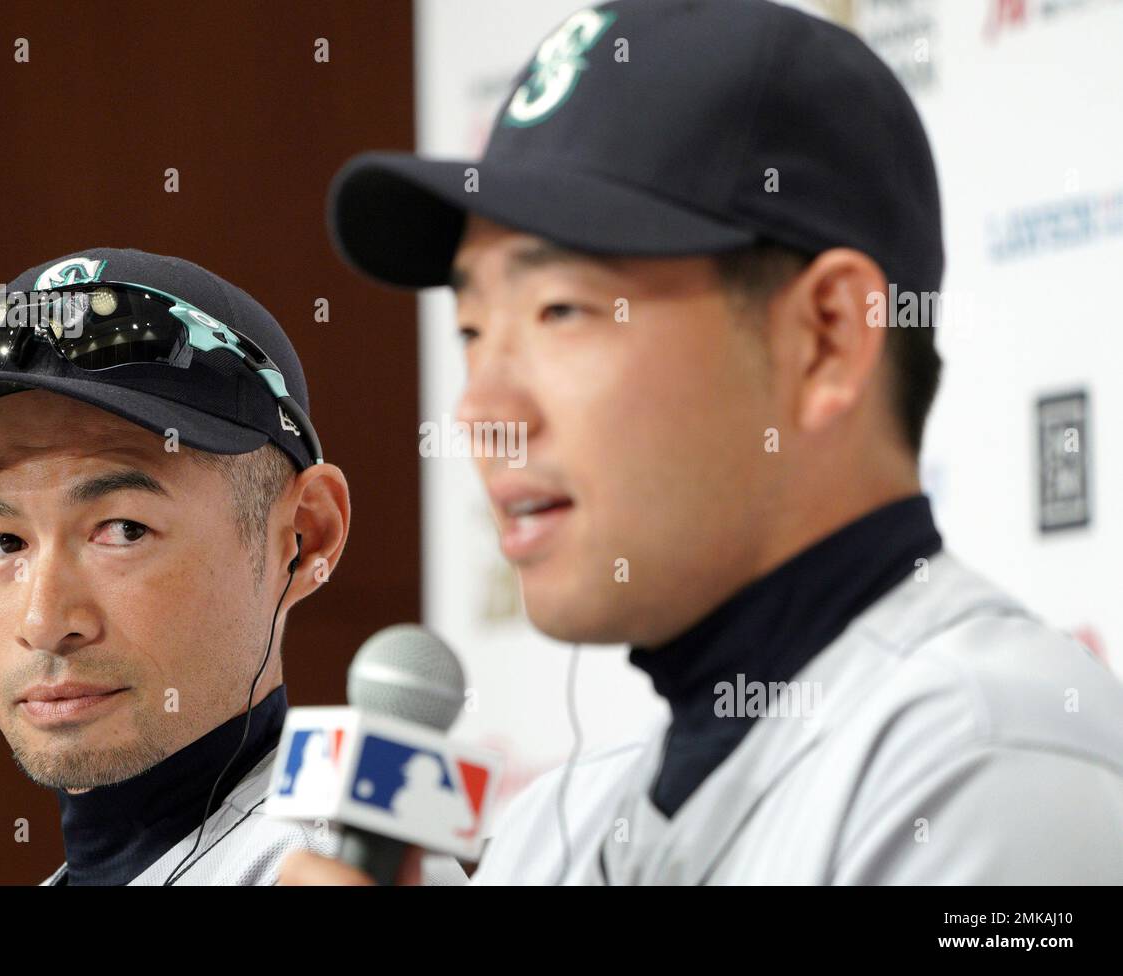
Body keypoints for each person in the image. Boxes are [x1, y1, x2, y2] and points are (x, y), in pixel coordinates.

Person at [282, 0, 1123, 884]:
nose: (480, 411)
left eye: (560, 311)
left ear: (828, 338)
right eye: (472, 329)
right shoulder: (552, 830)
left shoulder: (999, 765)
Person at [0, 247, 464, 885]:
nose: (44, 620)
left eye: (123, 530)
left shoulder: (340, 872)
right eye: (1, 542)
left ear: (304, 537)